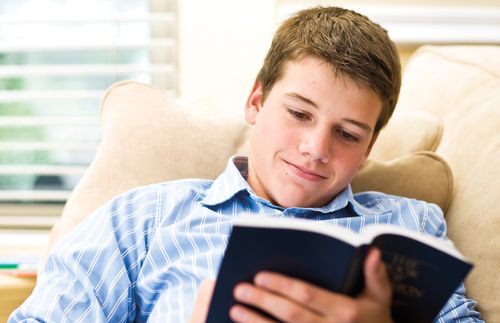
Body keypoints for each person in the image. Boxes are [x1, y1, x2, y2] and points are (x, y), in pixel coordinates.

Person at [9, 6, 482, 323]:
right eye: (299, 114)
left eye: (348, 134)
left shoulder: (410, 226)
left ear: (371, 144)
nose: (316, 148)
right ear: (256, 101)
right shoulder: (142, 220)